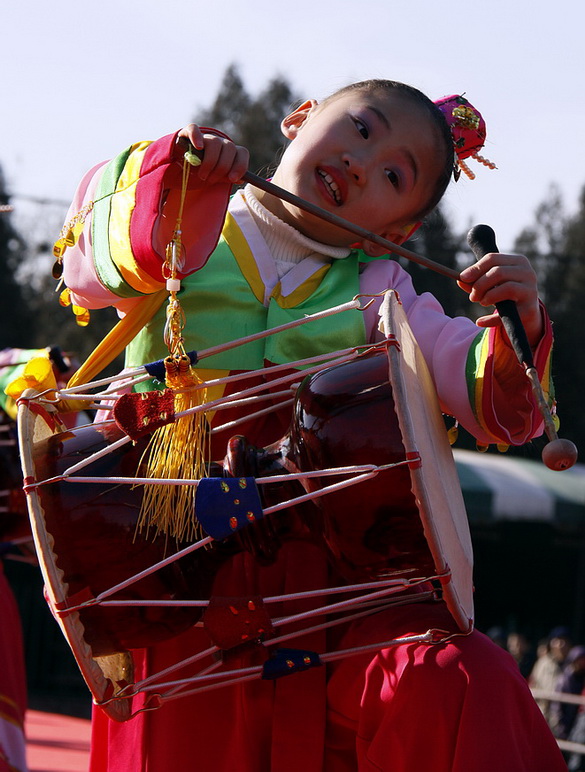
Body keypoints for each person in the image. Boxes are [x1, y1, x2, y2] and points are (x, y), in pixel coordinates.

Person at [51, 80, 564, 771]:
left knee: (456, 678)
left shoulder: (382, 290)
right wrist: (177, 171)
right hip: (168, 555)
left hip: (322, 589)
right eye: (359, 129)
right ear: (298, 121)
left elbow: (484, 392)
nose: (361, 161)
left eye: (392, 174)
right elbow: (88, 268)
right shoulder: (181, 218)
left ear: (397, 232)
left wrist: (516, 324)